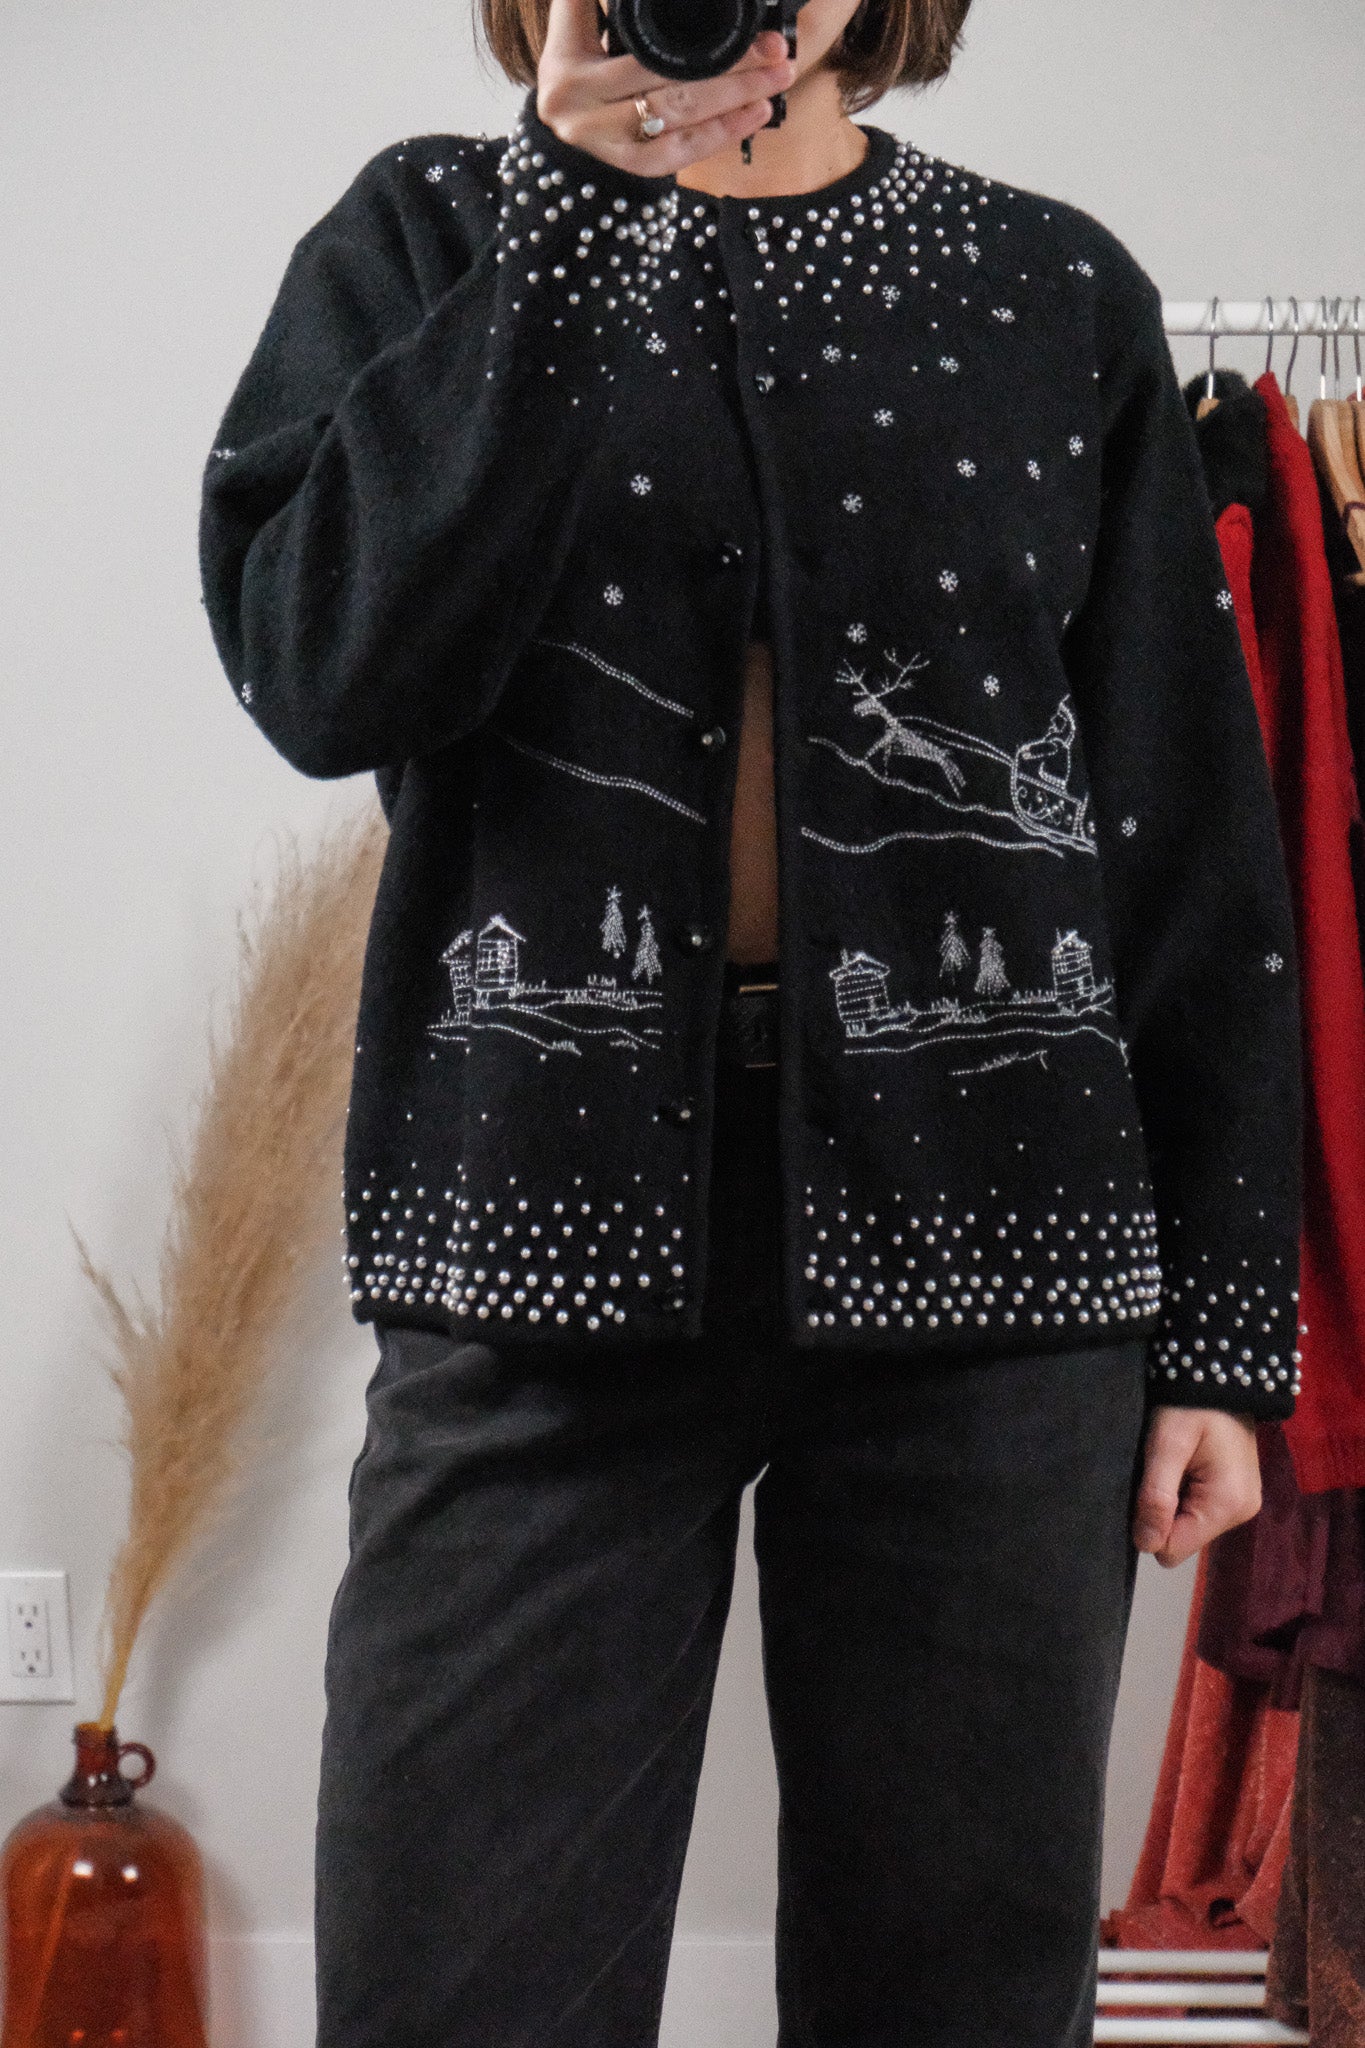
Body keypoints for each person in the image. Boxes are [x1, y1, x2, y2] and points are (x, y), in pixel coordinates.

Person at [198, 0, 1305, 2039]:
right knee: (459, 1988)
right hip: (536, 1247)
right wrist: (564, 216)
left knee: (956, 1997)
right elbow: (320, 672)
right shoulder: (435, 237)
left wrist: (1224, 1339)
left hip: (999, 1261)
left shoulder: (1049, 289)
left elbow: (1181, 827)